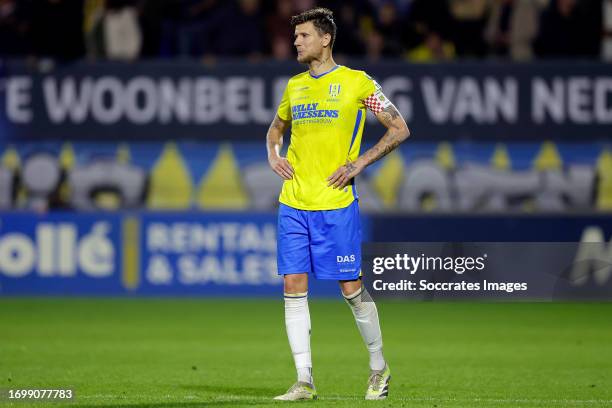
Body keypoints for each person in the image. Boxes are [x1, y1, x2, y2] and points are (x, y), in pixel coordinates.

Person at [265, 7, 410, 401]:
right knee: (293, 285)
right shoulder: (295, 86)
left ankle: (379, 368)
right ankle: (304, 380)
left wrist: (361, 162)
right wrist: (272, 154)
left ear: (326, 39)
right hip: (293, 202)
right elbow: (275, 129)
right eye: (295, 36)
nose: (296, 41)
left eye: (304, 35)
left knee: (351, 289)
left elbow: (400, 127)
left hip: (335, 203)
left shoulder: (358, 83)